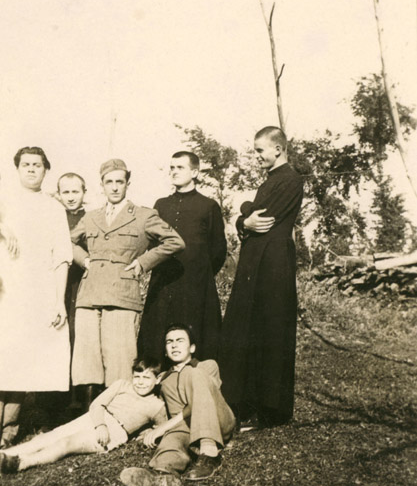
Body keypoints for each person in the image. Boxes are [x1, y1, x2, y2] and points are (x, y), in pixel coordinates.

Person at [70, 158, 185, 406]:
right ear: (101, 185)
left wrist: (143, 262)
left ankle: (117, 412)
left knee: (119, 360)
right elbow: (67, 241)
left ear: (127, 184)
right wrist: (84, 260)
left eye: (119, 182)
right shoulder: (91, 217)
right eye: (109, 182)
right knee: (87, 360)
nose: (114, 187)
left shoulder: (144, 215)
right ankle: (90, 415)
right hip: (89, 294)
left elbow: (175, 241)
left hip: (121, 295)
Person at [219, 126, 303, 429]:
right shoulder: (272, 180)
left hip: (273, 265)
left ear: (278, 149)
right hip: (257, 263)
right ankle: (245, 402)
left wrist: (243, 212)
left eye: (260, 150)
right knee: (248, 328)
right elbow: (252, 219)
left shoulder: (290, 180)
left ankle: (270, 409)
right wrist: (245, 219)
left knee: (271, 330)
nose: (256, 156)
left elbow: (262, 217)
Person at [0, 146, 72, 447]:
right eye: (26, 164)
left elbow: (62, 256)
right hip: (6, 291)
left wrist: (58, 301)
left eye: (37, 165)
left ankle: (8, 430)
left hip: (37, 293)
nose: (31, 169)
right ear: (17, 169)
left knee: (22, 360)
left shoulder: (53, 208)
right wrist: (3, 228)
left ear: (46, 170)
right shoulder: (5, 199)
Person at [120, 323, 236, 486]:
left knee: (193, 372)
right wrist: (152, 428)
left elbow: (203, 401)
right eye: (170, 342)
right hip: (185, 427)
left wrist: (163, 428)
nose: (174, 345)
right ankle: (163, 476)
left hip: (216, 421)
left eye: (180, 340)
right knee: (172, 439)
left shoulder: (206, 366)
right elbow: (158, 409)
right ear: (166, 352)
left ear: (192, 348)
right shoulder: (163, 380)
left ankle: (210, 452)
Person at [0, 359, 167, 473]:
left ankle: (21, 463)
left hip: (115, 431)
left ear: (158, 379)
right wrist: (100, 424)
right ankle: (7, 454)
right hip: (96, 417)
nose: (140, 382)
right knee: (49, 436)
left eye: (146, 378)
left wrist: (144, 433)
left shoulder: (157, 406)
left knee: (66, 443)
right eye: (137, 377)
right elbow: (97, 404)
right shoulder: (122, 385)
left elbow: (161, 428)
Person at [137, 151, 227, 362]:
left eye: (180, 167)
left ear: (194, 172)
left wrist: (199, 273)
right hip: (164, 283)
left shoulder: (208, 206)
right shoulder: (161, 205)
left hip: (195, 285)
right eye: (172, 167)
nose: (174, 172)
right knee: (157, 336)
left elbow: (218, 250)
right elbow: (154, 243)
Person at [57, 173, 88, 350]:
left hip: (82, 280)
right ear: (59, 194)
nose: (70, 197)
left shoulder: (92, 218)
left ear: (84, 192)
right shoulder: (54, 217)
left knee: (78, 329)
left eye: (75, 192)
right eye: (66, 192)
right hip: (59, 281)